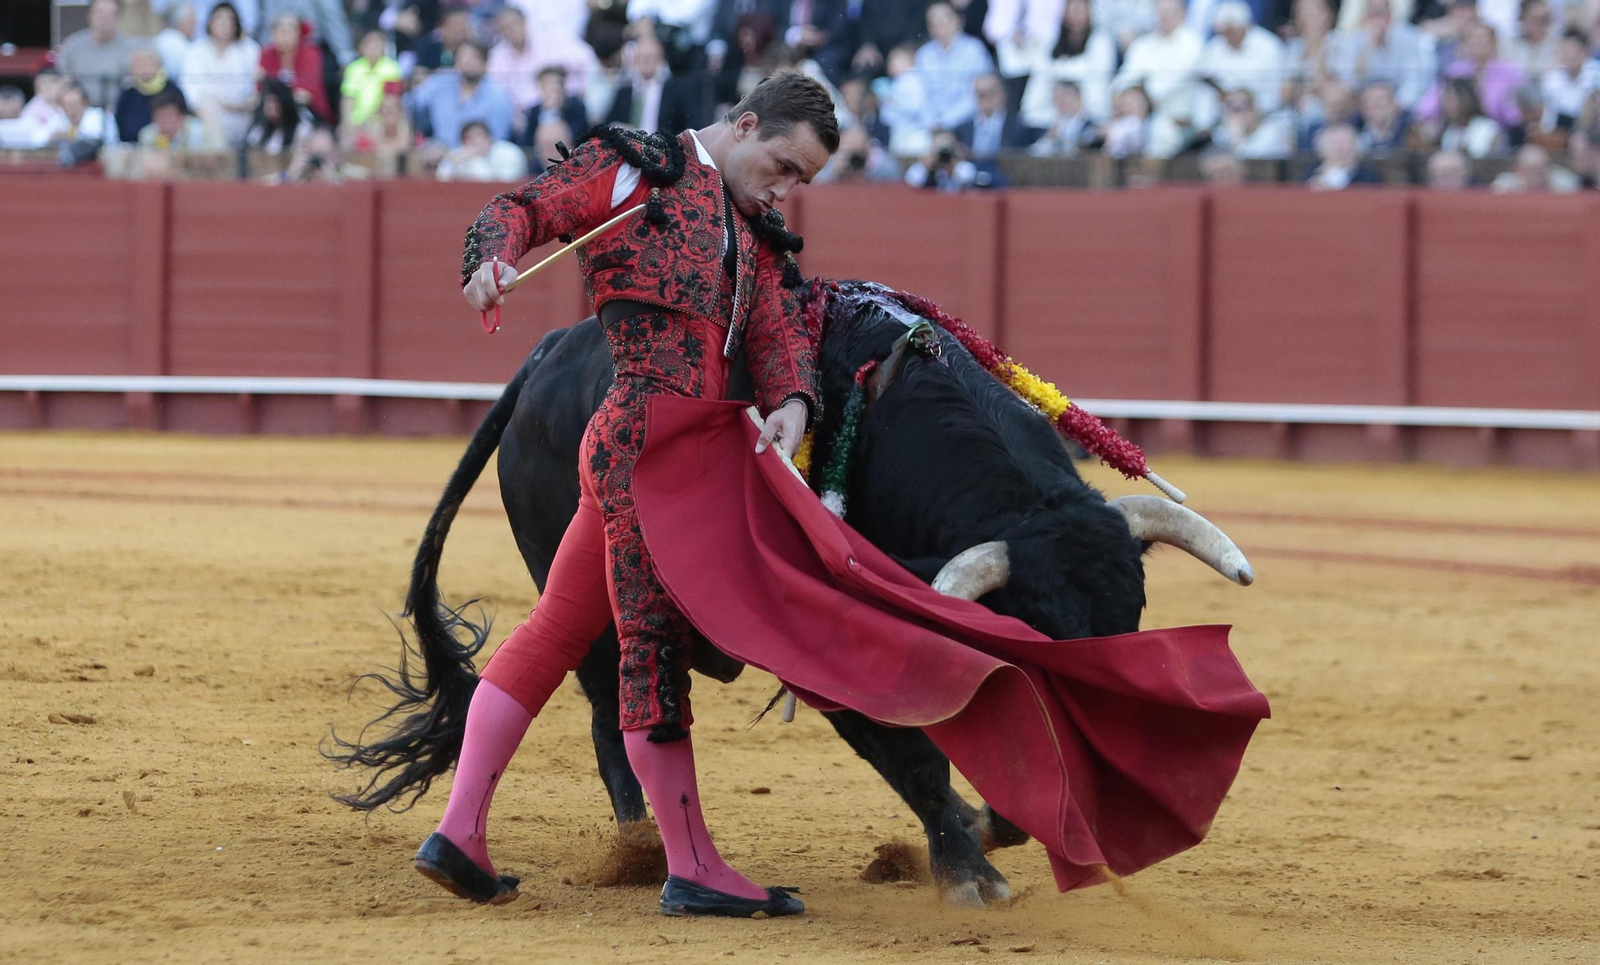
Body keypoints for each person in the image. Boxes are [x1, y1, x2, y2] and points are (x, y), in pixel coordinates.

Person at [413, 70, 837, 918]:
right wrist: (491, 258)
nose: (787, 188)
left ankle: (459, 832)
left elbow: (775, 324)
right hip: (642, 443)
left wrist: (793, 398)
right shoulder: (633, 170)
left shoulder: (750, 230)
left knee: (557, 629)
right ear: (745, 123)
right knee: (649, 647)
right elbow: (523, 209)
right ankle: (692, 863)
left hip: (673, 448)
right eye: (783, 165)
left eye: (804, 180)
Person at [1112, 0, 1204, 155]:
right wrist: (1126, 96)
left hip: (1176, 120)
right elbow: (1124, 79)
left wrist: (1140, 97)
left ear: (1182, 14)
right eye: (1160, 13)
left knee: (1160, 135)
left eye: (1169, 13)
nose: (1164, 18)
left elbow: (1168, 83)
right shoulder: (1143, 44)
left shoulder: (1192, 42)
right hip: (1138, 116)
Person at [1019, 0, 1116, 125]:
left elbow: (1099, 81)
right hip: (1051, 116)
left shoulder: (1101, 42)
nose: (1076, 16)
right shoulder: (1050, 42)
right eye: (1072, 10)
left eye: (1080, 10)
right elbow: (1039, 80)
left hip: (1088, 117)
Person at [1327, 0, 1435, 109]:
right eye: (1373, 14)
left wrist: (1396, 105)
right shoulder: (1355, 41)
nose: (1378, 20)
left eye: (1381, 13)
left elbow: (1413, 82)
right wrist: (1369, 46)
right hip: (1363, 106)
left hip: (1398, 106)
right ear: (1366, 16)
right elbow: (1349, 82)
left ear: (1390, 14)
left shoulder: (1409, 38)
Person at [183, 1, 261, 146]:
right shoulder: (197, 49)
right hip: (208, 114)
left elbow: (255, 86)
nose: (224, 24)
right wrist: (217, 104)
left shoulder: (249, 49)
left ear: (236, 23)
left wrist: (241, 104)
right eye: (219, 18)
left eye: (229, 19)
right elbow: (191, 89)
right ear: (210, 22)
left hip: (243, 112)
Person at [410, 41, 514, 146]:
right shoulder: (439, 83)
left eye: (474, 57)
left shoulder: (497, 96)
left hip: (480, 154)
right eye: (464, 56)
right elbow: (410, 103)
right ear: (456, 61)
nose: (468, 62)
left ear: (485, 63)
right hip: (439, 150)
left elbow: (498, 138)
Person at [916, 2, 996, 130]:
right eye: (933, 21)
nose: (938, 25)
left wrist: (946, 122)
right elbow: (922, 94)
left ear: (958, 21)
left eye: (944, 19)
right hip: (932, 126)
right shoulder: (924, 55)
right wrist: (932, 122)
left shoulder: (975, 50)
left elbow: (978, 95)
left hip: (968, 122)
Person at [604, 35, 698, 136]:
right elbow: (610, 122)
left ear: (660, 59)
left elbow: (686, 124)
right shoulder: (625, 91)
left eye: (650, 57)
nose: (645, 61)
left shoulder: (674, 91)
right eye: (642, 57)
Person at [59, 0, 139, 109]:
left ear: (118, 17)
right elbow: (62, 81)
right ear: (89, 15)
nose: (104, 18)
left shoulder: (130, 49)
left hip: (118, 112)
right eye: (99, 12)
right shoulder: (72, 45)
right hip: (79, 113)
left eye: (110, 14)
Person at [259, 14, 333, 122]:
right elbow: (261, 87)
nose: (284, 36)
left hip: (308, 111)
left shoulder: (311, 53)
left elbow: (308, 92)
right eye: (279, 32)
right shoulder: (266, 54)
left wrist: (279, 95)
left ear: (298, 33)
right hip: (274, 112)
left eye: (288, 32)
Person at [954, 72, 1038, 163]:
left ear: (1002, 94)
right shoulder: (962, 130)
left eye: (990, 93)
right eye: (981, 94)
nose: (985, 99)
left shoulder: (1019, 128)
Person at [114, 48, 186, 146]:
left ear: (158, 64)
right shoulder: (128, 93)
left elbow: (183, 118)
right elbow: (120, 123)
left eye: (148, 62)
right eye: (138, 63)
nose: (144, 67)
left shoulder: (173, 90)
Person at [340, 28, 402, 128]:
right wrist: (347, 123)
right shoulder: (353, 68)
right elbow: (348, 98)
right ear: (362, 47)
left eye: (378, 43)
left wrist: (374, 119)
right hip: (357, 121)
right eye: (371, 43)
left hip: (381, 120)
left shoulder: (392, 68)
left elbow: (391, 100)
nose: (374, 47)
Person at [518, 66, 587, 149]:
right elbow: (527, 141)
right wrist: (547, 112)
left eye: (555, 83)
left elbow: (575, 136)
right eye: (546, 85)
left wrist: (556, 111)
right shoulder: (535, 111)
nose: (552, 88)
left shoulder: (575, 106)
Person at [1028, 78, 1102, 155]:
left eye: (1063, 97)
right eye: (1056, 98)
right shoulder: (1054, 126)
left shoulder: (1094, 125)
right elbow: (1037, 151)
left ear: (1077, 96)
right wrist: (1051, 136)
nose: (1060, 102)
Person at [437, 118, 528, 179]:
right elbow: (441, 179)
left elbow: (503, 187)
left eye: (478, 136)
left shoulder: (509, 153)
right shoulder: (458, 154)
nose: (473, 142)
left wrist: (476, 159)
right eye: (468, 138)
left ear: (489, 138)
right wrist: (453, 166)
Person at [1304, 120, 1381, 187]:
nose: (1340, 149)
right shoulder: (1311, 173)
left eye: (1346, 143)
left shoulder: (1368, 177)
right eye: (1334, 143)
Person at [1490, 141, 1580, 190]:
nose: (1539, 175)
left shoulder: (1561, 181)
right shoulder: (1507, 184)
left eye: (1542, 168)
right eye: (1533, 169)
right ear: (1519, 169)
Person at [156, 3, 199, 81]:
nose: (196, 24)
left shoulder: (160, 39)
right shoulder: (177, 43)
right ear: (181, 22)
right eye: (192, 21)